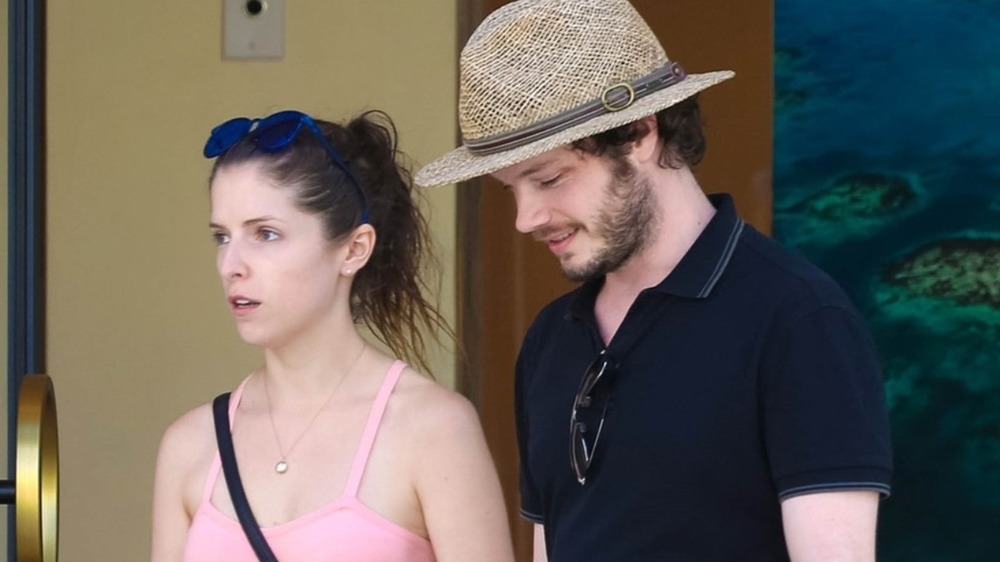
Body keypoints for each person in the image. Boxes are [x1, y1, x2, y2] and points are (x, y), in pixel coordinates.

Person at [415, 0, 893, 560]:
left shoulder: (801, 321)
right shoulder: (551, 338)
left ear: (640, 132)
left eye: (548, 179)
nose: (526, 219)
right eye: (510, 190)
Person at [151, 109, 515, 562]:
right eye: (222, 237)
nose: (232, 266)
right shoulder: (190, 444)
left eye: (265, 234)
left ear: (353, 249)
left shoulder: (432, 429)